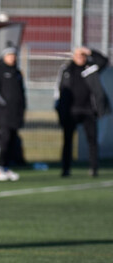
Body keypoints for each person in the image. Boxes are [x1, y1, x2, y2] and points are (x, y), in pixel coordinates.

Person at [55, 47, 110, 177]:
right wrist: (60, 109)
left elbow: (104, 61)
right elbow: (59, 90)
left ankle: (93, 168)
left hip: (88, 111)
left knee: (92, 141)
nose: (80, 58)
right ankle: (65, 169)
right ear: (73, 56)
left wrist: (89, 51)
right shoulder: (66, 70)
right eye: (78, 55)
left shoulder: (90, 68)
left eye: (82, 55)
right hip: (71, 111)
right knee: (67, 141)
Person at [0, 44, 26, 181]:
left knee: (12, 141)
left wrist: (22, 109)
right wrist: (4, 103)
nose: (12, 58)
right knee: (3, 139)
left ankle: (5, 166)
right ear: (4, 57)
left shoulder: (17, 72)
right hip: (4, 114)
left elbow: (22, 93)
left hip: (16, 114)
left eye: (14, 55)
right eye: (10, 55)